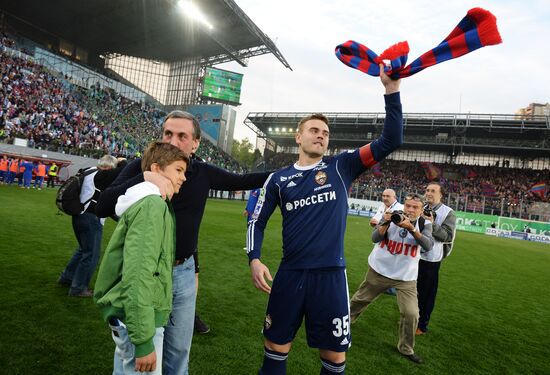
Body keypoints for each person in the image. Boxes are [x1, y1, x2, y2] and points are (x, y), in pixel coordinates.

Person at [247, 66, 402, 375]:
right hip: (290, 274)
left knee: (334, 359)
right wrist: (254, 258)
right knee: (275, 349)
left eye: (325, 132)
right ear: (298, 135)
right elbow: (257, 221)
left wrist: (391, 91)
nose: (321, 135)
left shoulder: (341, 166)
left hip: (330, 277)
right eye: (314, 130)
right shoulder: (278, 179)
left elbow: (391, 140)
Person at [95, 110, 270, 375]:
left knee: (178, 353)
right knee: (142, 354)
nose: (173, 141)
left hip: (183, 272)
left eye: (182, 136)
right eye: (168, 133)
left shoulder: (201, 173)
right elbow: (102, 205)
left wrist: (294, 171)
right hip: (147, 273)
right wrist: (145, 177)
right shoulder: (140, 166)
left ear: (196, 142)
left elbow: (243, 180)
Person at [94, 142, 189, 375]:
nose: (183, 178)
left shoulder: (153, 203)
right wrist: (143, 340)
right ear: (156, 169)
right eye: (178, 170)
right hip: (138, 321)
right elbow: (138, 274)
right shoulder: (151, 206)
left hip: (134, 319)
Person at [349, 193, 434, 364]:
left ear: (421, 209)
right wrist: (386, 222)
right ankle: (343, 325)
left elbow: (428, 245)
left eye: (415, 207)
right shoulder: (391, 215)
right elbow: (375, 238)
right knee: (359, 300)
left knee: (411, 313)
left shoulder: (425, 223)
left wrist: (411, 228)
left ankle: (406, 348)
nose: (410, 210)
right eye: (408, 206)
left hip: (405, 278)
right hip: (379, 270)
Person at [57, 155, 124, 296]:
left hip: (80, 216)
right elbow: (123, 170)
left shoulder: (89, 170)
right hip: (90, 219)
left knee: (82, 250)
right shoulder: (101, 175)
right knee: (91, 255)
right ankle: (78, 288)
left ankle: (67, 278)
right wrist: (122, 161)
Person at [417, 182, 456, 335]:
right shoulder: (420, 207)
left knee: (427, 294)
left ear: (441, 195)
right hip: (414, 255)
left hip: (431, 259)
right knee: (412, 291)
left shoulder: (448, 213)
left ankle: (422, 325)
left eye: (433, 191)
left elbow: (447, 236)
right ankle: (411, 318)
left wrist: (432, 225)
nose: (429, 193)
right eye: (427, 190)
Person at [370, 189, 404, 296]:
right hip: (381, 238)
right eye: (383, 195)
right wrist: (374, 222)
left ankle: (393, 288)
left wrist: (377, 224)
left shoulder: (400, 208)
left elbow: (397, 226)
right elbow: (376, 219)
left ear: (394, 197)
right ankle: (383, 286)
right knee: (381, 262)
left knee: (393, 264)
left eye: (387, 196)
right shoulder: (382, 206)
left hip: (393, 241)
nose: (385, 198)